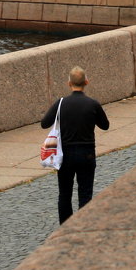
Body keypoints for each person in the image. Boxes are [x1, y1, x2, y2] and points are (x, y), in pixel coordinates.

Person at [41, 67, 109, 224]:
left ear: (69, 83)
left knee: (64, 193)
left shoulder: (61, 103)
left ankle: (65, 227)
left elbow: (45, 123)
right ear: (86, 82)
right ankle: (84, 226)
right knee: (85, 193)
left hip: (65, 155)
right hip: (87, 154)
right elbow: (105, 125)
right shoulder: (92, 104)